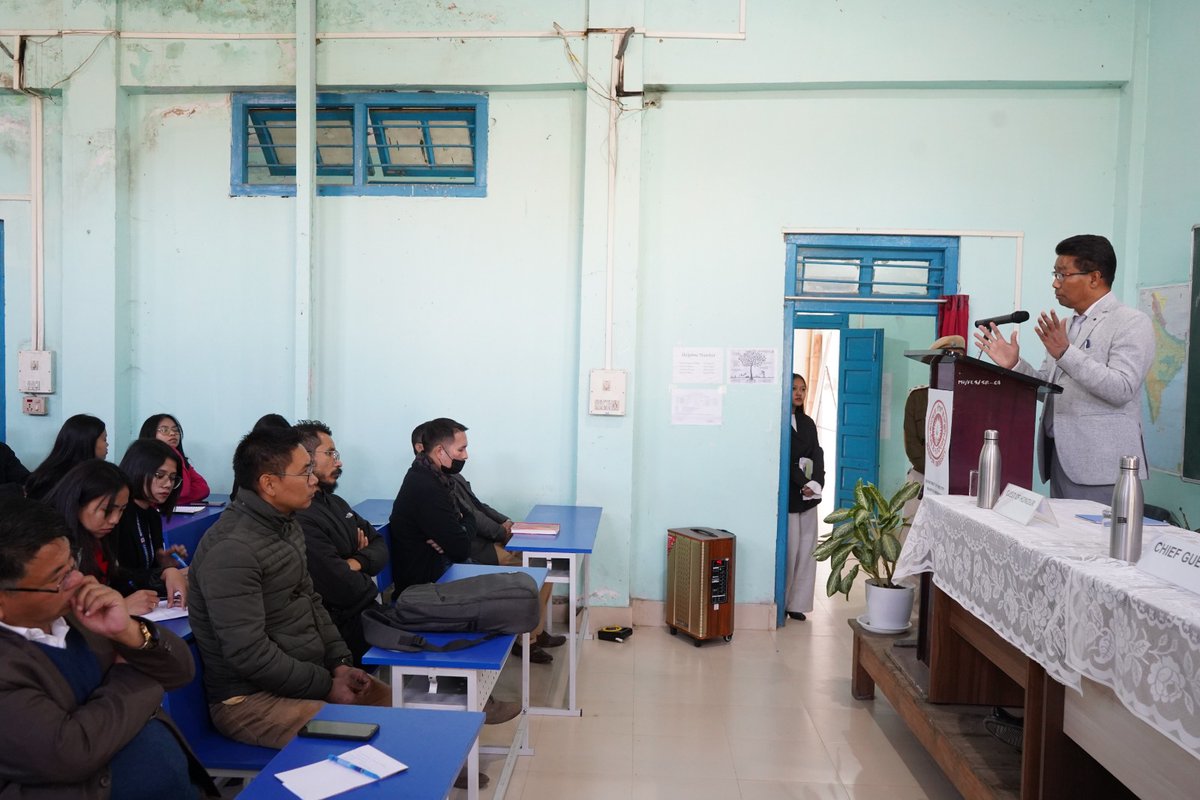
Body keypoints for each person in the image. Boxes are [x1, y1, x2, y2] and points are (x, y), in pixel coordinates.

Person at [186, 426, 392, 749]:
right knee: (356, 737)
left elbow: (311, 599)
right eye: (304, 472)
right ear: (269, 484)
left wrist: (340, 663)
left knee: (395, 711)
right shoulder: (231, 550)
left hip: (304, 677)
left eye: (312, 469)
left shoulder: (286, 524)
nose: (314, 480)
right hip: (249, 701)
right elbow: (250, 654)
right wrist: (325, 685)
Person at [0, 495, 215, 799]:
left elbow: (180, 671)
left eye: (72, 564)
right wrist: (137, 677)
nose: (77, 580)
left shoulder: (78, 613)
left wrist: (128, 630)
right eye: (57, 579)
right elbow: (71, 751)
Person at [975, 234, 1155, 501]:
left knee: (1097, 544)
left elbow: (1122, 388)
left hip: (1102, 468)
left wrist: (1066, 353)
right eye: (1055, 274)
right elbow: (1049, 390)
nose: (1055, 283)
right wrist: (1014, 364)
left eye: (1062, 275)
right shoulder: (1067, 325)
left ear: (1094, 278)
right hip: (1060, 460)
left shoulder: (1130, 323)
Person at [397, 419, 564, 663]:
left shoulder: (438, 478)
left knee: (538, 570)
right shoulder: (426, 485)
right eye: (461, 450)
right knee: (526, 581)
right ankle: (524, 640)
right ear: (439, 451)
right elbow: (461, 544)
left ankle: (529, 636)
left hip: (448, 565)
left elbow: (469, 516)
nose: (466, 456)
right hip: (433, 583)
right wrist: (463, 528)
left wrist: (462, 527)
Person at [294, 420, 388, 665]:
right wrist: (364, 570)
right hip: (339, 632)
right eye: (330, 453)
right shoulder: (301, 516)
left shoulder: (336, 503)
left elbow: (380, 546)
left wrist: (356, 561)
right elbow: (340, 585)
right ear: (305, 458)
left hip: (366, 616)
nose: (339, 461)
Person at [116, 439, 189, 609]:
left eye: (172, 478)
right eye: (159, 475)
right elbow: (119, 574)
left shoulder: (152, 515)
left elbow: (143, 569)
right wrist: (163, 573)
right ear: (138, 470)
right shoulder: (118, 515)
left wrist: (163, 564)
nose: (168, 484)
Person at [902, 335, 966, 526]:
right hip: (922, 477)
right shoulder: (918, 397)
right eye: (947, 359)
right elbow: (912, 446)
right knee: (911, 534)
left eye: (958, 359)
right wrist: (937, 474)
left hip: (957, 483)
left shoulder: (969, 400)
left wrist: (951, 476)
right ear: (934, 365)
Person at [786, 374, 824, 622]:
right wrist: (802, 483)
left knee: (807, 552)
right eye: (794, 388)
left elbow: (817, 454)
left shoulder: (808, 422)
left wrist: (817, 483)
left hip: (810, 495)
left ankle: (797, 604)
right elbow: (785, 459)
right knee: (791, 551)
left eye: (803, 388)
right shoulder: (780, 422)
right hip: (791, 493)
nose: (799, 393)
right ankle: (783, 600)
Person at [24, 414, 109, 501]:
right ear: (88, 442)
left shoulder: (44, 472)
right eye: (104, 439)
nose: (107, 444)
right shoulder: (77, 481)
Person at [139, 414, 210, 504]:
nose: (173, 433)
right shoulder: (141, 459)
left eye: (175, 430)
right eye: (164, 430)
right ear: (150, 433)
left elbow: (203, 489)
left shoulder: (180, 459)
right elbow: (182, 491)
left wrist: (170, 501)